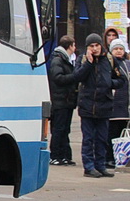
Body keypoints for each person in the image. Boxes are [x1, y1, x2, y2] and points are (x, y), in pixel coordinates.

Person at [73, 33, 125, 177]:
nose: (94, 49)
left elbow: (121, 79)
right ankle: (88, 167)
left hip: (104, 105)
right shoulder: (82, 59)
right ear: (87, 47)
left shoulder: (109, 59)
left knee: (102, 139)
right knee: (88, 138)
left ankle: (100, 165)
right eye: (91, 46)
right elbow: (77, 77)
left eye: (97, 45)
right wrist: (88, 64)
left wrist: (110, 84)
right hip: (87, 106)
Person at [46, 34, 78, 166]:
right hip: (61, 101)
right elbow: (57, 78)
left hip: (66, 100)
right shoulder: (58, 60)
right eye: (74, 45)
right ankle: (55, 155)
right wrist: (73, 77)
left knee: (65, 129)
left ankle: (65, 155)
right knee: (59, 129)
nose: (75, 48)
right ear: (70, 46)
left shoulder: (65, 60)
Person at [109, 38, 130, 167]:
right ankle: (110, 157)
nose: (118, 51)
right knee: (112, 134)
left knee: (124, 133)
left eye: (120, 49)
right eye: (116, 49)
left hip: (125, 106)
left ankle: (123, 156)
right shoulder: (109, 64)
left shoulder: (127, 64)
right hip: (113, 106)